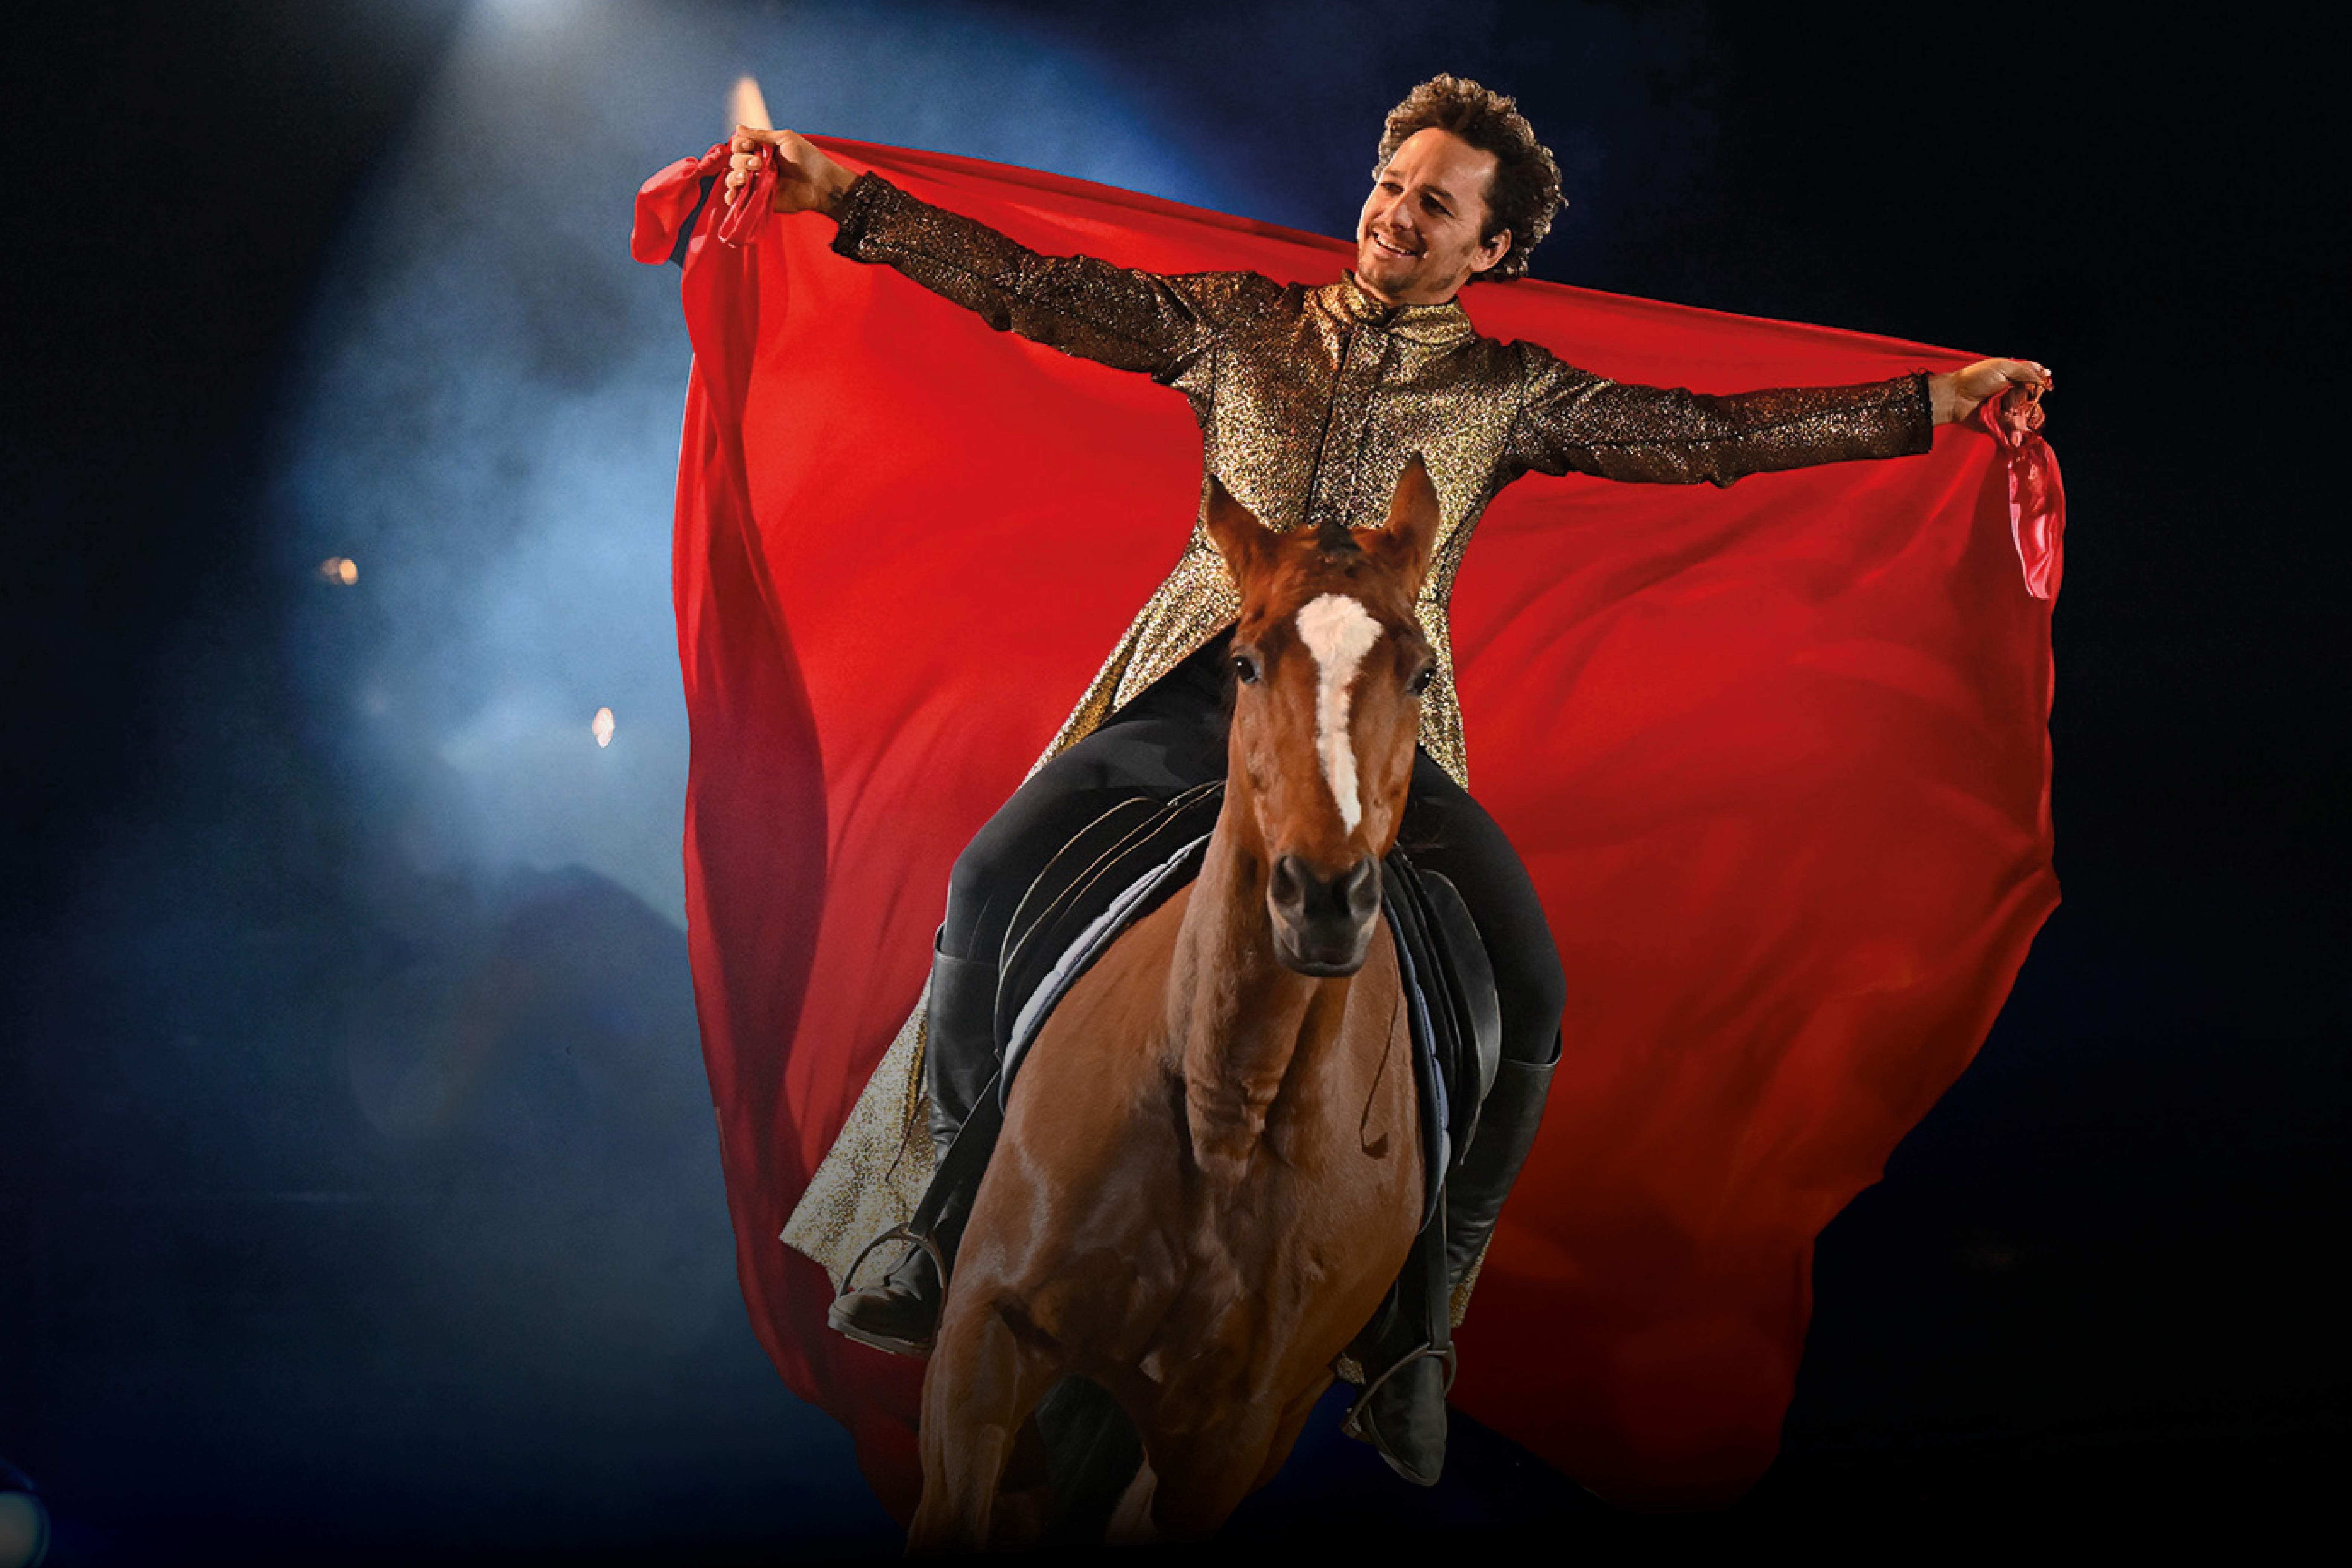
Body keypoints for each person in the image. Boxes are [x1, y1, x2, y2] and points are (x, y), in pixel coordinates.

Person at [720, 75, 2049, 1486]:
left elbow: (1711, 437)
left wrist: (1932, 400)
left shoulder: (1506, 391)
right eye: (1391, 182)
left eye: (1437, 203)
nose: (1397, 213)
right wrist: (843, 200)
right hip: (1205, 701)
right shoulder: (1236, 322)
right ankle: (942, 1222)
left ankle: (1418, 1329)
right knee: (989, 874)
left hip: (1384, 748)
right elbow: (1041, 289)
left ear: (1490, 250)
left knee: (1526, 986)